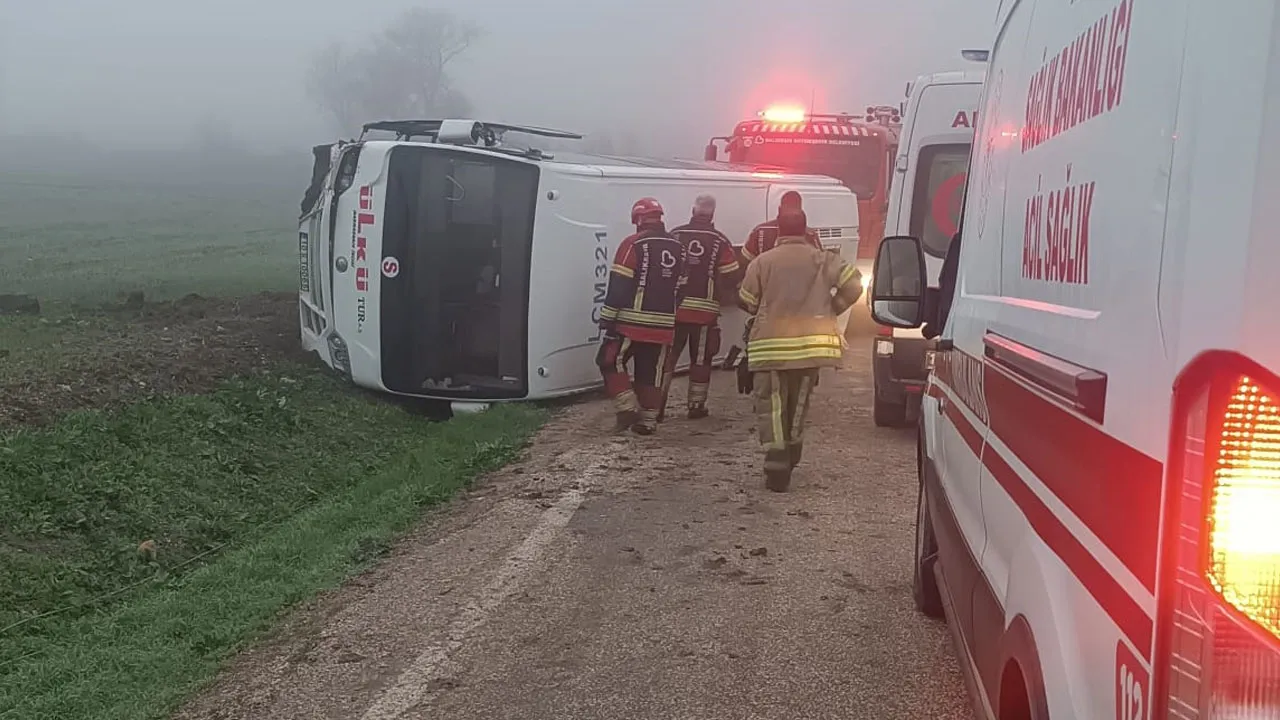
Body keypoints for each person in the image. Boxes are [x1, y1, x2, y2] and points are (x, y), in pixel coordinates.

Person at [738, 208, 863, 492]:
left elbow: (746, 299)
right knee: (799, 402)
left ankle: (776, 462)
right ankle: (792, 454)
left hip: (769, 346)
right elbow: (855, 285)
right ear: (806, 231)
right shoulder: (824, 259)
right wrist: (834, 307)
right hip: (811, 346)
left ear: (779, 230)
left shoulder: (762, 262)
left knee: (771, 404)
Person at [597, 197, 685, 435]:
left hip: (630, 322)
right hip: (664, 325)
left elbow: (619, 284)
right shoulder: (678, 247)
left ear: (637, 220)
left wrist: (607, 316)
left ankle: (626, 409)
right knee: (650, 372)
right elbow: (684, 286)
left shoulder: (633, 244)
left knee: (609, 360)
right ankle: (647, 422)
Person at [658, 194, 741, 421]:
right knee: (701, 359)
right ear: (712, 214)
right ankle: (696, 406)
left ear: (693, 211)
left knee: (666, 359)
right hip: (704, 313)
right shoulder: (721, 241)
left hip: (674, 311)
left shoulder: (675, 235)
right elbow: (732, 275)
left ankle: (656, 406)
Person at [740, 190, 824, 264]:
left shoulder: (760, 232)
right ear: (801, 211)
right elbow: (819, 264)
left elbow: (745, 263)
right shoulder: (810, 234)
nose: (790, 215)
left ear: (779, 209)